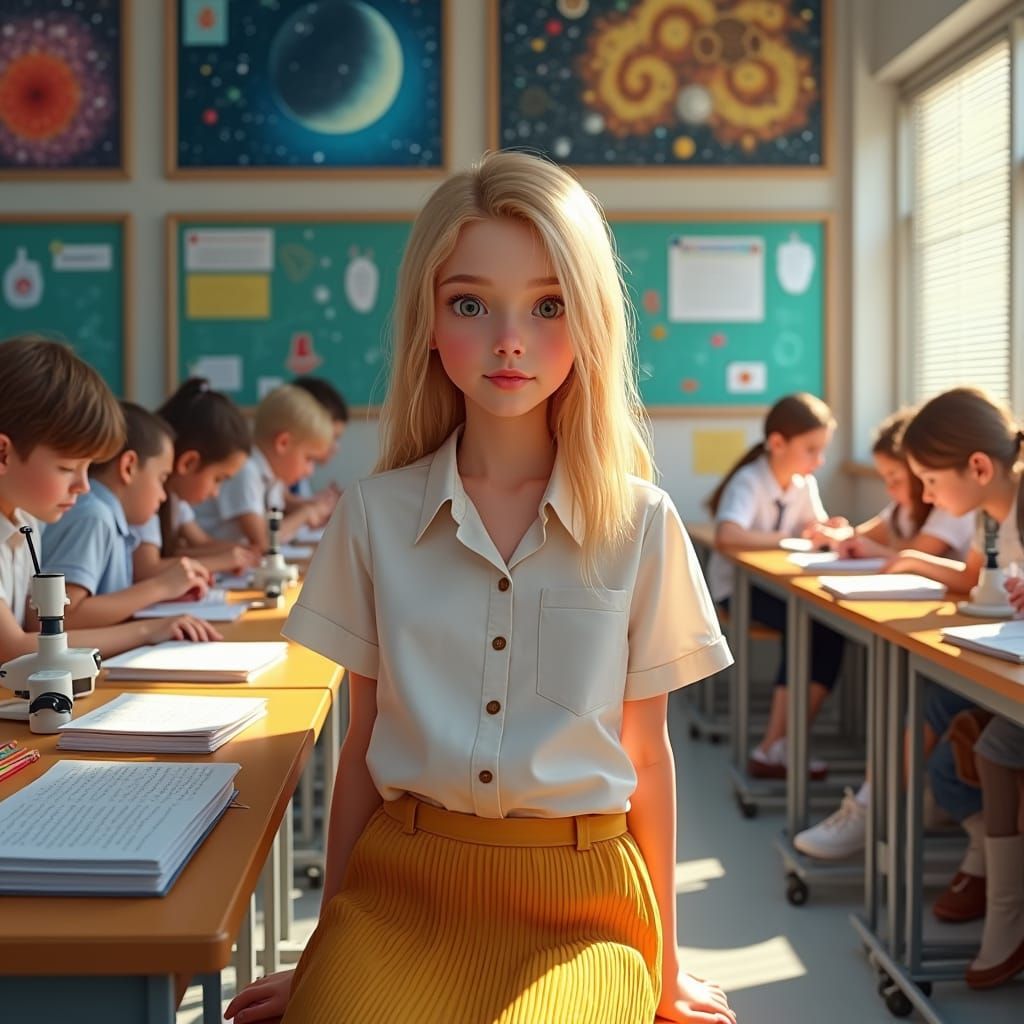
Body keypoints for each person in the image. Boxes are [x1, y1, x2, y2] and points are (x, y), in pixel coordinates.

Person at [225, 151, 736, 1024]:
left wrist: (665, 966)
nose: (510, 339)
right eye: (471, 304)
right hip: (402, 887)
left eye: (549, 306)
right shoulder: (374, 516)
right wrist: (321, 952)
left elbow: (647, 757)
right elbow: (360, 748)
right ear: (428, 320)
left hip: (581, 908)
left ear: (592, 324)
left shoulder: (643, 523)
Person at [794, 409, 974, 860]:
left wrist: (881, 549)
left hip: (953, 634)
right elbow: (872, 535)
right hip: (942, 630)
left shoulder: (956, 508)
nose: (896, 489)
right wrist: (840, 534)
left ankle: (876, 803)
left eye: (898, 478)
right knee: (898, 684)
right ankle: (880, 798)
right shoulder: (908, 503)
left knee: (912, 690)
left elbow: (915, 557)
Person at [0, 336, 219, 662]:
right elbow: (13, 649)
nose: (84, 486)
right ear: (3, 453)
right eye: (67, 468)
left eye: (88, 468)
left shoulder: (25, 521)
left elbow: (44, 631)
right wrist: (148, 632)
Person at [706, 393, 845, 781]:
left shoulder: (803, 484)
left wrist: (825, 530)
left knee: (829, 631)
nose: (818, 461)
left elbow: (813, 530)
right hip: (738, 591)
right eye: (811, 450)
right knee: (807, 627)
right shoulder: (750, 481)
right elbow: (728, 535)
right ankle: (773, 745)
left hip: (778, 589)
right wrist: (790, 537)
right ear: (778, 443)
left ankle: (781, 743)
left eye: (823, 451)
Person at [42, 401, 220, 638]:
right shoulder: (94, 516)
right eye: (162, 478)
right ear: (128, 467)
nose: (163, 495)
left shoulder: (109, 516)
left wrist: (169, 591)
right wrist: (160, 587)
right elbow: (58, 618)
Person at [131, 378, 257, 580]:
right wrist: (220, 561)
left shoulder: (174, 498)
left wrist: (243, 554)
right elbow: (147, 568)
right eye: (218, 479)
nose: (216, 493)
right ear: (189, 463)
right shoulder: (146, 497)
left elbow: (201, 543)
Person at [193, 384, 334, 549]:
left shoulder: (272, 478)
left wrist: (316, 508)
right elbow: (264, 543)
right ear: (283, 443)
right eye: (309, 459)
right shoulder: (246, 471)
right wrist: (306, 514)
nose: (310, 471)